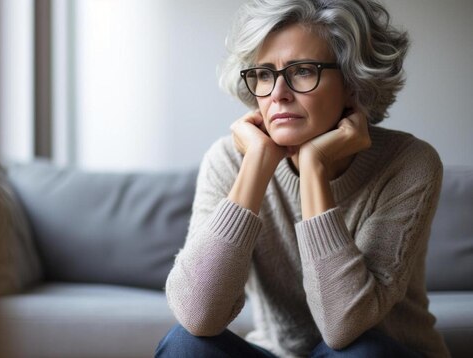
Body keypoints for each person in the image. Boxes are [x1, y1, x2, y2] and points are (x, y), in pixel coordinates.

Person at [155, 0, 450, 357]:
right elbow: (198, 316)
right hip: (279, 353)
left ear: (353, 83)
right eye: (264, 74)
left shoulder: (409, 163)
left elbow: (343, 326)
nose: (278, 93)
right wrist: (257, 165)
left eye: (303, 70)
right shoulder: (228, 160)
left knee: (362, 352)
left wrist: (314, 167)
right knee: (184, 345)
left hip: (375, 352)